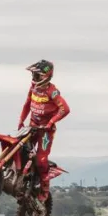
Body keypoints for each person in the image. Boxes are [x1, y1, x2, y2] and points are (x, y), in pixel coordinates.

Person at [17, 59, 70, 203]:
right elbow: (27, 103)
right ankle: (23, 177)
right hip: (33, 125)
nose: (34, 77)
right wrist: (21, 120)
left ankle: (44, 188)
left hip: (46, 130)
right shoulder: (33, 87)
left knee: (41, 160)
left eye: (37, 75)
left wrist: (51, 121)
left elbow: (65, 109)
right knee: (20, 148)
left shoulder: (52, 91)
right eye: (33, 74)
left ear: (46, 76)